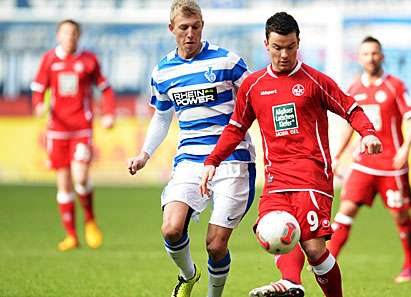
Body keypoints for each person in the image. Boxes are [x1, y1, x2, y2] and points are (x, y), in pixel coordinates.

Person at [200, 12, 382, 297]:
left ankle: (304, 286)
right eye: (277, 47)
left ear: (299, 44)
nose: (284, 54)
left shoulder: (314, 80)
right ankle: (291, 283)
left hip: (312, 175)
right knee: (273, 232)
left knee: (313, 248)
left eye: (290, 47)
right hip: (276, 177)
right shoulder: (253, 86)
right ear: (266, 44)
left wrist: (368, 132)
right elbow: (235, 128)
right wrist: (212, 162)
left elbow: (350, 108)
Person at [127, 1, 256, 297]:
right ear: (171, 29)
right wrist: (145, 154)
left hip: (232, 160)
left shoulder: (228, 62)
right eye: (183, 27)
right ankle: (189, 275)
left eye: (195, 27)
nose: (190, 34)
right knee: (171, 228)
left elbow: (255, 101)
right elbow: (162, 116)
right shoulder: (163, 72)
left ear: (202, 26)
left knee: (215, 243)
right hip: (190, 161)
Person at [327, 36, 411, 283]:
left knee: (400, 216)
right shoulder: (354, 89)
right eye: (366, 54)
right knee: (345, 210)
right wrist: (337, 155)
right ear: (359, 58)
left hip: (392, 165)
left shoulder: (395, 87)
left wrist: (405, 149)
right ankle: (327, 264)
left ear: (382, 56)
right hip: (363, 163)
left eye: (375, 53)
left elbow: (410, 119)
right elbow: (349, 125)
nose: (371, 58)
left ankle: (409, 267)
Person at [31, 19, 115, 252]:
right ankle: (71, 235)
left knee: (80, 177)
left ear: (78, 36)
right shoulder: (49, 60)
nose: (70, 37)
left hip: (81, 128)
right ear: (58, 35)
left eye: (74, 33)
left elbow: (105, 89)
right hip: (57, 130)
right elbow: (38, 89)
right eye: (66, 33)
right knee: (64, 183)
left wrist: (108, 114)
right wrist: (38, 105)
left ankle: (89, 220)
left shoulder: (88, 60)